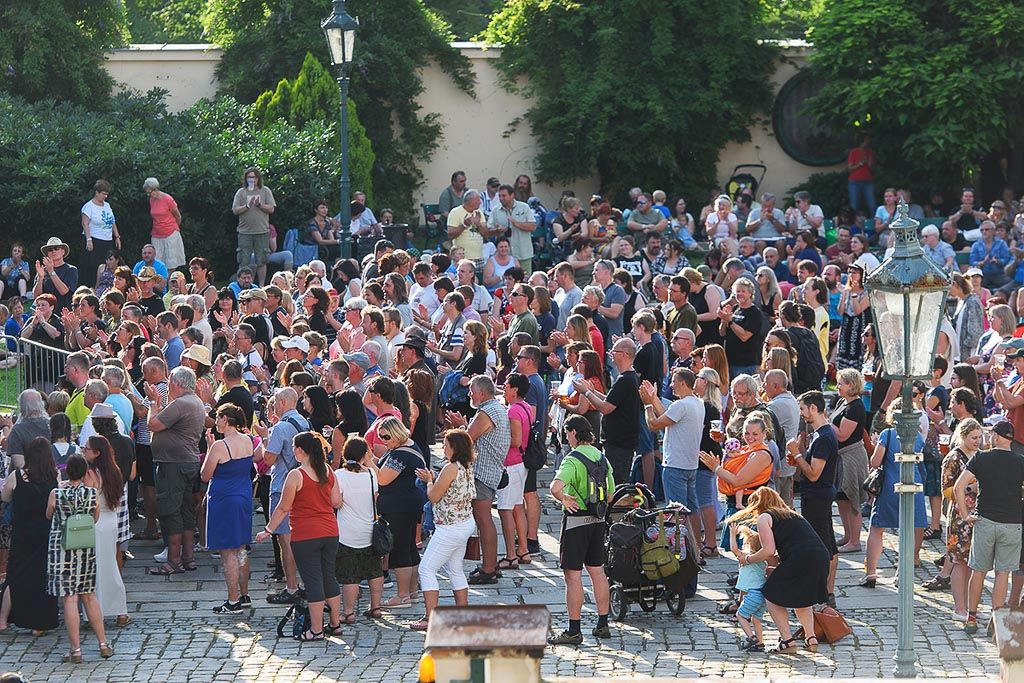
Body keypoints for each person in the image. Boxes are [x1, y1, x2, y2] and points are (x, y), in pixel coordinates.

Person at [256, 432, 343, 641]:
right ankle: (335, 623)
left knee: (313, 582)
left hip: (306, 534)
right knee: (329, 578)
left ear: (301, 451)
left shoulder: (296, 475)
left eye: (295, 448)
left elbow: (283, 507)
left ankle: (315, 629)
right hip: (330, 531)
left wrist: (268, 530)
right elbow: (337, 502)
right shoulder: (328, 471)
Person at [727, 487, 830, 654]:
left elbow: (768, 550)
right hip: (820, 556)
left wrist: (747, 559)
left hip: (800, 557)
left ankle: (788, 641)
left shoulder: (764, 517)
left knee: (771, 594)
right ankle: (811, 638)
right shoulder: (793, 514)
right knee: (802, 599)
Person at [548, 415, 615, 646]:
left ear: (574, 433)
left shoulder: (571, 460)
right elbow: (611, 494)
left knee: (572, 575)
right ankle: (603, 623)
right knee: (598, 572)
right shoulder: (602, 458)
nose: (567, 437)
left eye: (567, 433)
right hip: (597, 521)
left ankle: (574, 629)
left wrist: (565, 499)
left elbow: (555, 487)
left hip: (576, 523)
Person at [954, 419, 1024, 635]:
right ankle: (996, 619)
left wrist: (966, 516)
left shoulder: (981, 458)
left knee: (979, 571)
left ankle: (972, 617)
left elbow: (958, 487)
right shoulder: (1020, 461)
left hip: (985, 520)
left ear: (995, 436)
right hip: (1012, 523)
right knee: (1003, 573)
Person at [46, 454, 113, 663]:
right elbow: (95, 518)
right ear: (85, 472)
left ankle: (76, 650)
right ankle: (103, 643)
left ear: (67, 471)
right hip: (84, 548)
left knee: (70, 598)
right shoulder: (92, 493)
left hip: (62, 549)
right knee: (89, 596)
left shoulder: (57, 493)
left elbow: (49, 515)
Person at [444, 375, 510, 585]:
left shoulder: (486, 412)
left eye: (472, 390)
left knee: (483, 519)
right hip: (490, 470)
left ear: (482, 392)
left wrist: (458, 427)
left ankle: (488, 568)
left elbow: (466, 441)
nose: (469, 394)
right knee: (484, 519)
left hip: (483, 472)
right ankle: (490, 564)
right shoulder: (496, 409)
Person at [411, 429, 477, 631]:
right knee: (455, 569)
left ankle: (431, 617)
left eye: (446, 445)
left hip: (449, 527)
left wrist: (429, 480)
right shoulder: (466, 465)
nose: (443, 448)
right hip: (465, 523)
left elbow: (433, 496)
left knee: (426, 568)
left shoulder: (450, 468)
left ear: (454, 448)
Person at [860, 397, 928, 588]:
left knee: (877, 529)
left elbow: (875, 462)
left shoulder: (888, 434)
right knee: (909, 530)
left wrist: (874, 444)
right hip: (913, 486)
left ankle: (871, 573)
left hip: (890, 487)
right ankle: (902, 573)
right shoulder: (918, 436)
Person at [145, 366, 205, 576]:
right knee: (185, 510)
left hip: (174, 465)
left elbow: (153, 424)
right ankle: (188, 557)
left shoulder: (181, 403)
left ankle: (173, 561)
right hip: (186, 462)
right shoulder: (194, 401)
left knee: (170, 511)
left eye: (170, 381)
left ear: (177, 383)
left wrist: (153, 403)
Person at [0, 436, 59, 634]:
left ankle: (2, 619)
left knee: (14, 576)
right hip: (45, 532)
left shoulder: (17, 476)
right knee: (42, 577)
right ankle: (38, 623)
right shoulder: (54, 475)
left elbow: (5, 496)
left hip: (22, 532)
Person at [202, 404, 256, 614]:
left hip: (224, 500)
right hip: (243, 498)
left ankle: (232, 601)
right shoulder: (248, 440)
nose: (215, 422)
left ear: (225, 419)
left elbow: (205, 475)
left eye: (217, 418)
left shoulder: (219, 446)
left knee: (227, 553)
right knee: (241, 548)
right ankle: (244, 595)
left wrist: (209, 447)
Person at [256, 387, 308, 604]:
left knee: (284, 540)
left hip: (282, 484)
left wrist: (264, 438)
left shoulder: (280, 428)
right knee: (301, 538)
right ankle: (305, 584)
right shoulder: (304, 423)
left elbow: (268, 459)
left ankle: (291, 587)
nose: (274, 404)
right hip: (303, 483)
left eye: (276, 401)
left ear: (284, 403)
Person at [786, 391, 839, 605]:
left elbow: (814, 473)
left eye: (802, 409)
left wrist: (797, 453)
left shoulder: (824, 437)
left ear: (813, 409)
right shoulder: (820, 434)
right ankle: (827, 592)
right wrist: (798, 459)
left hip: (817, 497)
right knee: (829, 545)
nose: (801, 414)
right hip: (819, 495)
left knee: (821, 546)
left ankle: (823, 592)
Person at [374, 416, 427, 608]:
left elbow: (382, 479)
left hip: (399, 507)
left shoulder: (400, 454)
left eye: (386, 437)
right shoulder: (408, 447)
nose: (383, 441)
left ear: (396, 432)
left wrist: (366, 460)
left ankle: (402, 595)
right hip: (409, 505)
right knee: (410, 549)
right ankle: (412, 592)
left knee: (400, 550)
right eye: (381, 437)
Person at [572, 338, 641, 484]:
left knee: (615, 485)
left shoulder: (625, 380)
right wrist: (592, 391)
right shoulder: (629, 377)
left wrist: (586, 392)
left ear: (624, 355)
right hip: (620, 442)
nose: (611, 355)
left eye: (614, 352)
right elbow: (611, 401)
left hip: (619, 444)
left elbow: (605, 408)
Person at [333, 437, 384, 622]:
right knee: (374, 571)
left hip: (347, 532)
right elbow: (376, 497)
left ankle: (348, 613)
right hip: (369, 530)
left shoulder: (339, 475)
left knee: (350, 576)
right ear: (364, 455)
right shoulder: (371, 474)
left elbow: (336, 502)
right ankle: (376, 607)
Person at [640, 368, 703, 513]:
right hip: (690, 466)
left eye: (673, 381)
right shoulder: (697, 403)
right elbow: (666, 417)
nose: (670, 385)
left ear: (682, 383)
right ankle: (695, 537)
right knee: (692, 511)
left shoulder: (680, 405)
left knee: (677, 514)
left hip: (675, 467)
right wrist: (654, 397)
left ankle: (681, 537)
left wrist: (647, 404)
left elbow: (654, 425)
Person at [938, 418, 983, 619]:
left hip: (976, 513)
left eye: (980, 437)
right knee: (959, 560)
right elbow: (947, 490)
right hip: (959, 515)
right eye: (974, 437)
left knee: (971, 561)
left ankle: (969, 605)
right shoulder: (954, 457)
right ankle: (959, 607)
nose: (978, 441)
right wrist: (968, 488)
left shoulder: (980, 456)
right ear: (963, 436)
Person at [81, 435, 128, 627]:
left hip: (96, 521)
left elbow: (88, 502)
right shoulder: (114, 471)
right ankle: (120, 611)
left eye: (87, 448)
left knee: (94, 569)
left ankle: (94, 612)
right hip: (111, 520)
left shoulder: (91, 473)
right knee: (109, 566)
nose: (83, 450)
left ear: (97, 453)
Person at [831, 369, 869, 553]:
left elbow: (842, 435)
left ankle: (855, 540)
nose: (838, 386)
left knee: (852, 499)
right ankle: (847, 535)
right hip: (841, 457)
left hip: (851, 457)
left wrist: (824, 423)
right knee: (841, 499)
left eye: (841, 383)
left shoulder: (856, 407)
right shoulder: (842, 402)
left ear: (852, 385)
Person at [728, 522, 768, 652]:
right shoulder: (762, 560)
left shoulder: (746, 558)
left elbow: (734, 548)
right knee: (756, 619)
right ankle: (760, 642)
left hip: (753, 594)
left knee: (741, 615)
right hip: (762, 595)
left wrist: (732, 534)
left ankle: (752, 638)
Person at [232, 168, 276, 286]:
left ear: (258, 178)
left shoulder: (265, 191)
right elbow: (235, 210)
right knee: (243, 260)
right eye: (249, 177)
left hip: (262, 231)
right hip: (244, 232)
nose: (252, 179)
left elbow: (271, 208)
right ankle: (241, 285)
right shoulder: (241, 192)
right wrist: (247, 205)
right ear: (246, 179)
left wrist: (260, 205)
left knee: (261, 260)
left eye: (254, 177)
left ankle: (261, 285)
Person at [80, 180, 122, 284]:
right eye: (103, 194)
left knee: (107, 265)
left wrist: (117, 237)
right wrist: (88, 239)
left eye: (107, 194)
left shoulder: (107, 206)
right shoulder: (88, 206)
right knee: (93, 267)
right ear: (97, 193)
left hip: (107, 241)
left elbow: (112, 221)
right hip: (94, 241)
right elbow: (85, 223)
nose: (105, 196)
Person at [143, 177, 184, 269]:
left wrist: (174, 229)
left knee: (171, 262)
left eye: (150, 192)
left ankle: (169, 282)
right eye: (148, 193)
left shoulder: (168, 199)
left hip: (170, 232)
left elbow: (178, 216)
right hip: (156, 233)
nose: (149, 194)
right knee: (156, 261)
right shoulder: (151, 200)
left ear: (156, 189)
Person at [32, 237, 78, 316]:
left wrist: (51, 272)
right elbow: (36, 296)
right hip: (44, 314)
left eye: (56, 248)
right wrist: (40, 278)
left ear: (63, 251)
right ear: (47, 254)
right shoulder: (43, 270)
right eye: (50, 249)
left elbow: (64, 291)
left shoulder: (71, 269)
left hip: (63, 314)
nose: (53, 251)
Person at [847, 134, 876, 215]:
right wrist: (860, 163)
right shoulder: (853, 152)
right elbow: (849, 169)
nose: (868, 141)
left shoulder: (870, 152)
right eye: (867, 139)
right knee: (854, 206)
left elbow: (873, 169)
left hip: (868, 181)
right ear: (862, 141)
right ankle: (854, 225)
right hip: (855, 182)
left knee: (872, 205)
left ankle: (876, 224)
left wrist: (869, 163)